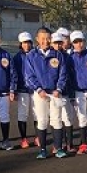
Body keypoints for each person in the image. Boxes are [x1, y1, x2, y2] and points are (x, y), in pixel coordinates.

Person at [24, 26, 68, 159]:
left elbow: (63, 74)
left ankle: (58, 148)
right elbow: (29, 76)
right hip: (40, 94)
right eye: (43, 39)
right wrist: (38, 89)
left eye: (48, 38)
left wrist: (59, 89)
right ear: (37, 39)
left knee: (57, 120)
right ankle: (42, 150)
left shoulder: (58, 55)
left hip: (55, 93)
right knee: (42, 120)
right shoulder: (31, 56)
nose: (46, 41)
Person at [51, 30, 76, 153]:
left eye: (60, 43)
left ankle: (69, 144)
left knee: (68, 118)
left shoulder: (67, 57)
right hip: (52, 93)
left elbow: (70, 75)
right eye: (55, 43)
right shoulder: (48, 56)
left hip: (65, 91)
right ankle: (57, 144)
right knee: (55, 119)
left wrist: (71, 94)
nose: (58, 45)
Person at [13, 31, 36, 148]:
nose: (26, 45)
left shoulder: (36, 55)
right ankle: (23, 139)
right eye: (24, 43)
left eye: (28, 42)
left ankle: (38, 137)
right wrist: (14, 90)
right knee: (23, 115)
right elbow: (14, 74)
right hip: (22, 90)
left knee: (37, 114)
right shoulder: (17, 58)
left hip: (35, 89)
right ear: (20, 44)